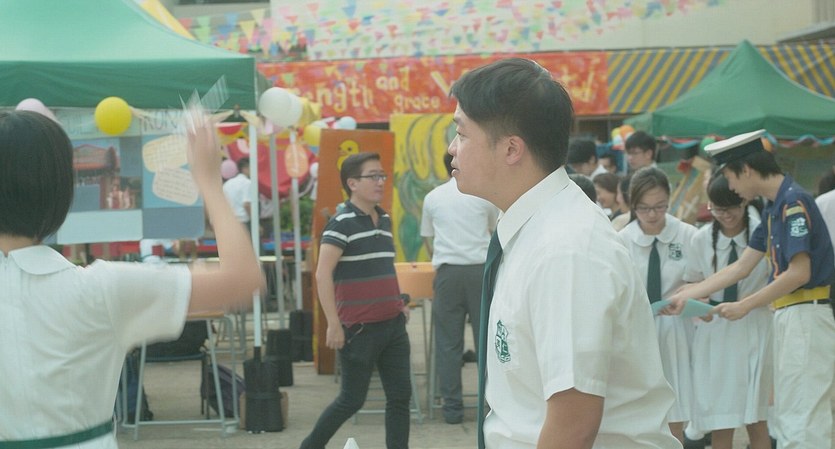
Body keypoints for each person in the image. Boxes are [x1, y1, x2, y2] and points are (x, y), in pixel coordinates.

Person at [448, 57, 679, 449]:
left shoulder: (565, 250)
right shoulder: (533, 229)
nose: (452, 148)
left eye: (461, 133)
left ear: (511, 148)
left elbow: (573, 424)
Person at [0, 110, 263, 447]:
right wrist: (209, 182)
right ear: (61, 189)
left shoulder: (100, 287)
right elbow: (243, 279)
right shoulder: (102, 288)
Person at [668, 129, 835, 449]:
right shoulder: (774, 208)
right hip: (790, 317)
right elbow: (740, 267)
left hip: (805, 315)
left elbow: (799, 272)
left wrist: (744, 305)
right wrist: (686, 294)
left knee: (802, 419)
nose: (731, 187)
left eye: (730, 177)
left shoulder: (793, 203)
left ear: (746, 170)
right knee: (789, 416)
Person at [300, 152, 411, 449]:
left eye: (382, 176)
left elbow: (383, 267)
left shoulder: (384, 219)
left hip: (393, 326)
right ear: (352, 183)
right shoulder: (340, 224)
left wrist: (399, 301)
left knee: (400, 398)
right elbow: (323, 274)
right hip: (360, 330)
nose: (380, 182)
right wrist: (333, 324)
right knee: (351, 399)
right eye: (373, 176)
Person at [685, 172, 773, 449]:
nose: (726, 216)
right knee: (720, 419)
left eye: (732, 208)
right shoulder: (700, 239)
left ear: (744, 202)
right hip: (716, 332)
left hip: (754, 325)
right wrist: (700, 305)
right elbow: (694, 283)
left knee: (757, 419)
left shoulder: (762, 233)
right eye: (718, 209)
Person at [618, 166, 698, 443]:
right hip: (637, 332)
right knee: (640, 411)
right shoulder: (622, 240)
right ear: (632, 205)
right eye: (644, 208)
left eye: (660, 206)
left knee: (676, 408)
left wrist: (687, 296)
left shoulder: (687, 235)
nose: (652, 215)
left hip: (677, 331)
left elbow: (703, 283)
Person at [420, 152, 499, 424]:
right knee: (485, 341)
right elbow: (492, 230)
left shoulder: (433, 197)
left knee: (448, 342)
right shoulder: (484, 196)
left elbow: (428, 238)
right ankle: (491, 405)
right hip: (480, 272)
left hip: (448, 274)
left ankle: (452, 408)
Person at [222, 156, 252, 230]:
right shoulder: (247, 183)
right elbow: (247, 204)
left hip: (229, 222)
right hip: (243, 222)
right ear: (245, 168)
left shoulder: (227, 184)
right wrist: (255, 221)